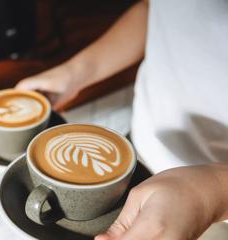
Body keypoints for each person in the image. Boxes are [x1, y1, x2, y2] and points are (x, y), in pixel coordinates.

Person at [16, 0, 228, 239]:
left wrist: (213, 193)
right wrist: (75, 72)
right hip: (136, 157)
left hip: (216, 214)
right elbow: (158, 8)